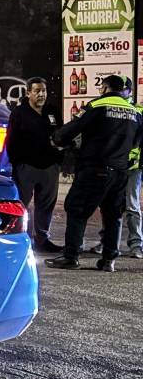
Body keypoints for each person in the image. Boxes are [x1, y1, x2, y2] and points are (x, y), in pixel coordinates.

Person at [47, 75, 143, 272]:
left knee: (77, 209)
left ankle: (71, 256)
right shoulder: (134, 112)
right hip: (121, 172)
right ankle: (109, 260)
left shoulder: (97, 106)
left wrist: (58, 140)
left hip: (94, 169)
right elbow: (137, 141)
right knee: (113, 215)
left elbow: (70, 131)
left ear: (105, 88)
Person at [6, 77, 64, 253]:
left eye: (44, 91)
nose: (41, 94)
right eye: (37, 91)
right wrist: (17, 165)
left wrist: (59, 160)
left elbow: (61, 135)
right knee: (22, 204)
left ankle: (42, 239)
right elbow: (11, 141)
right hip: (26, 167)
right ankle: (23, 239)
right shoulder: (19, 113)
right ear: (28, 93)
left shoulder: (52, 111)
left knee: (46, 205)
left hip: (49, 167)